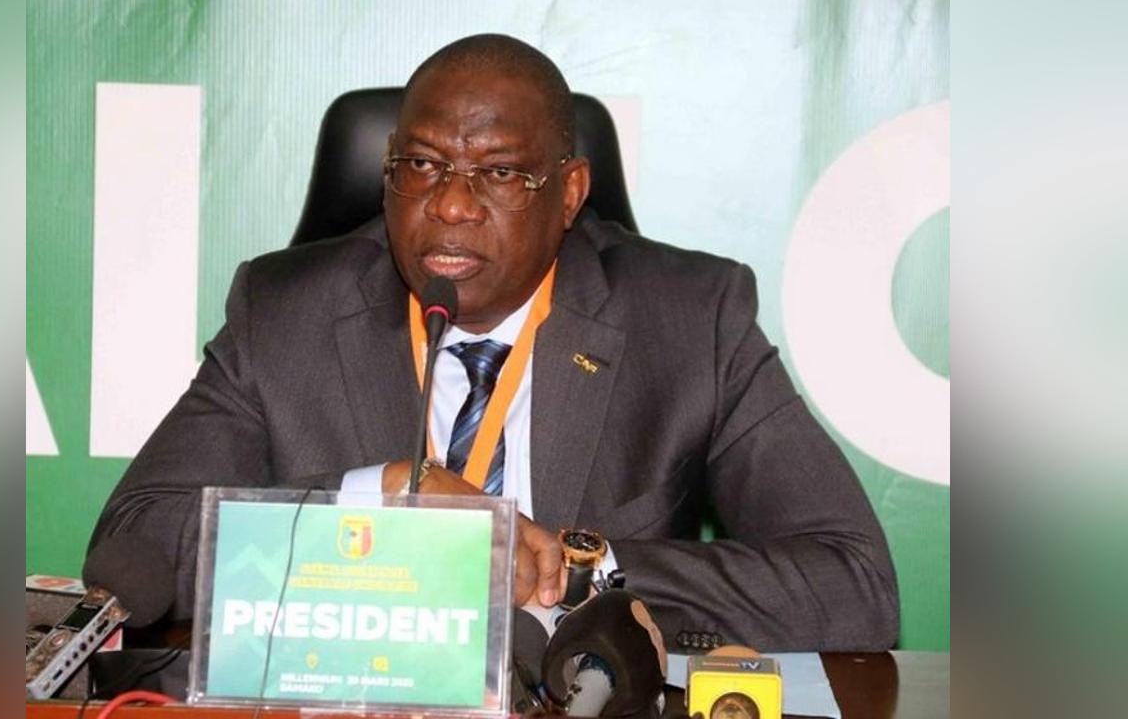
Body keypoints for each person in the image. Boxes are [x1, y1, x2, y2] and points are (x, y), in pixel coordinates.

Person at [89, 34, 899, 652]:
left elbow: (854, 584)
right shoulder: (285, 314)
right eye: (421, 165)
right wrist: (378, 501)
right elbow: (132, 547)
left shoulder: (689, 320)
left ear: (570, 194)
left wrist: (569, 570)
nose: (450, 205)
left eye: (501, 173)